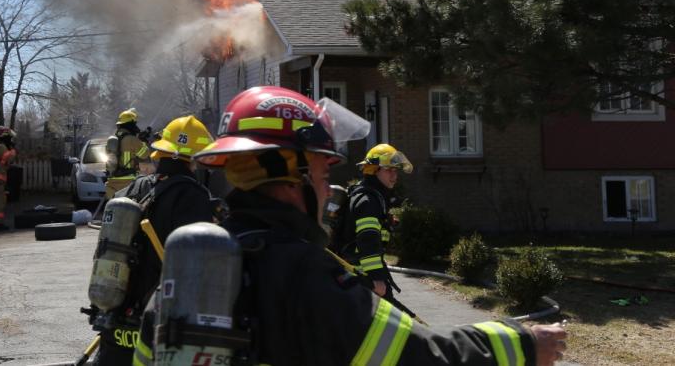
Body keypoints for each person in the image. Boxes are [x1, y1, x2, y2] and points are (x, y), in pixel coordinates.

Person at [139, 86, 567, 366]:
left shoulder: (184, 274)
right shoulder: (306, 276)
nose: (329, 192)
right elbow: (421, 358)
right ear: (293, 175)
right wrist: (523, 343)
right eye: (324, 176)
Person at [97, 115, 216, 366]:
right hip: (156, 330)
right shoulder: (193, 198)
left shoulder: (131, 191)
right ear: (194, 160)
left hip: (116, 326)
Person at [344, 142, 412, 300]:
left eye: (396, 171)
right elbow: (368, 240)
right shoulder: (368, 201)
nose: (394, 176)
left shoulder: (371, 196)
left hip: (360, 277)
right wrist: (377, 279)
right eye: (389, 170)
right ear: (373, 170)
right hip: (363, 278)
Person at [104, 108, 150, 200]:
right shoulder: (132, 139)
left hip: (112, 183)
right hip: (128, 183)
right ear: (131, 124)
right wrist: (143, 141)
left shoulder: (114, 139)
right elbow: (145, 154)